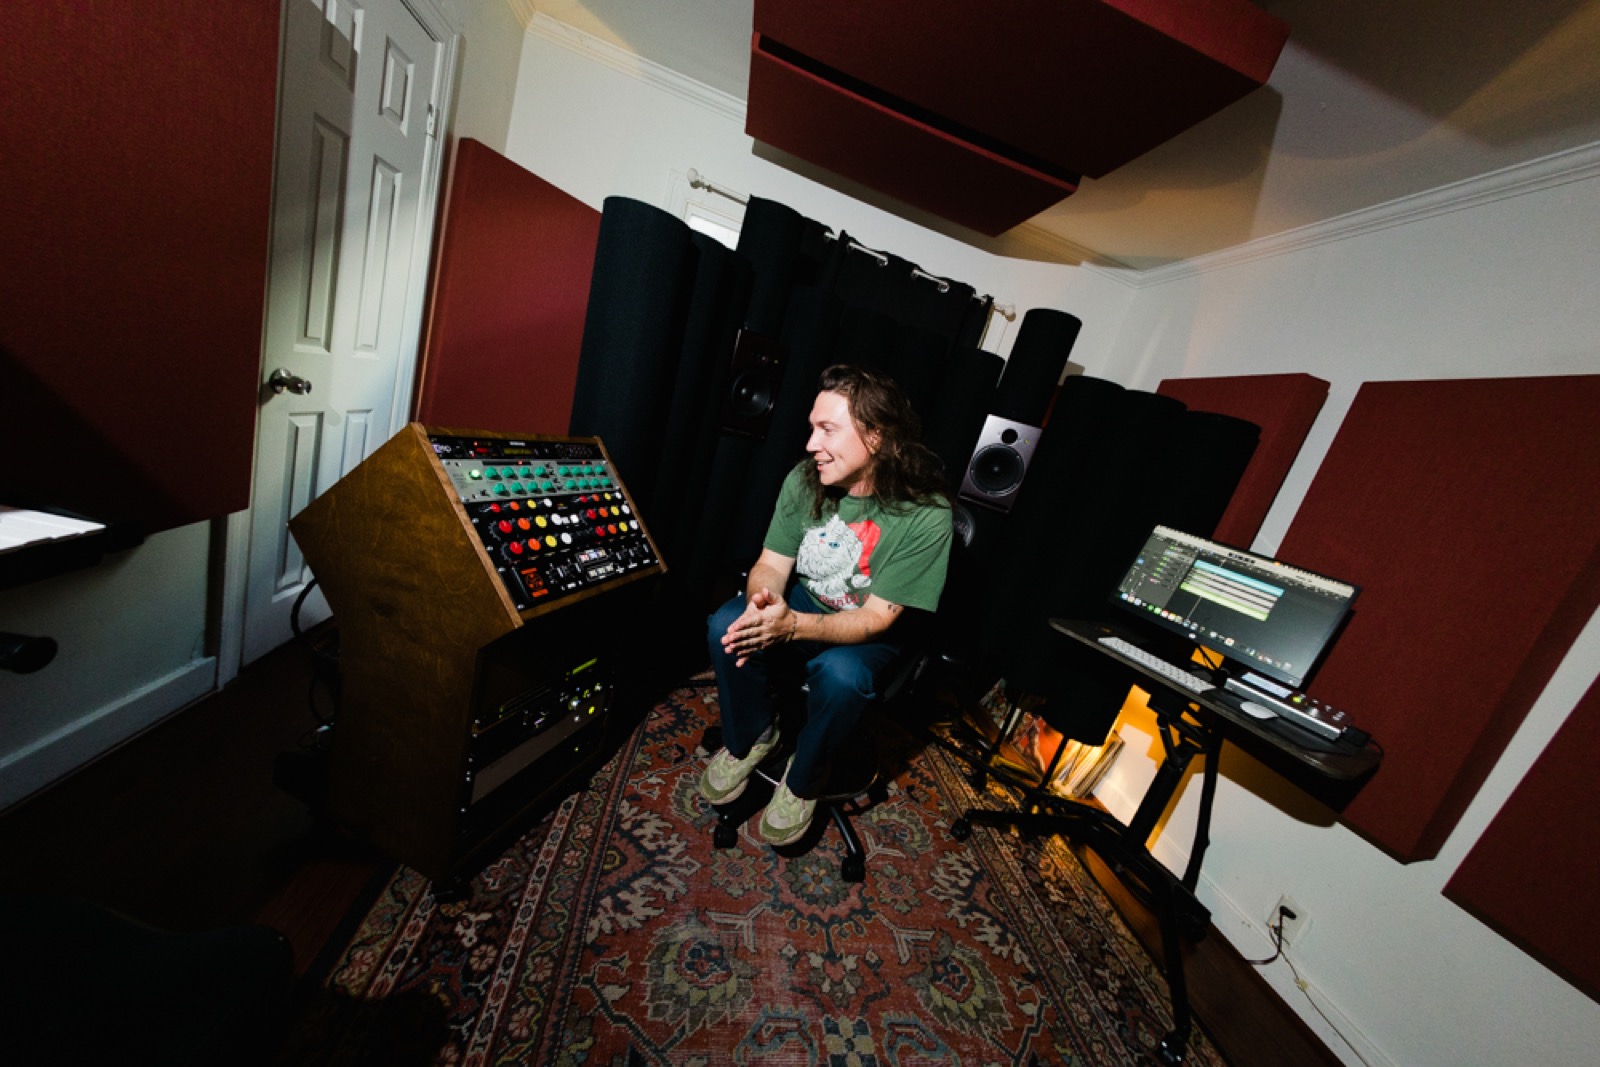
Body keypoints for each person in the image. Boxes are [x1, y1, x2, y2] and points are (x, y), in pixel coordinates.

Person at [699, 363, 953, 845]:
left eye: (827, 429)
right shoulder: (804, 478)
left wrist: (792, 626)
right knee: (725, 625)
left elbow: (876, 617)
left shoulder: (927, 514)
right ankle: (754, 737)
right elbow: (770, 563)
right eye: (811, 428)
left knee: (841, 677)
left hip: (867, 626)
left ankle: (805, 777)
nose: (811, 443)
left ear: (876, 436)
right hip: (803, 601)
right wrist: (763, 601)